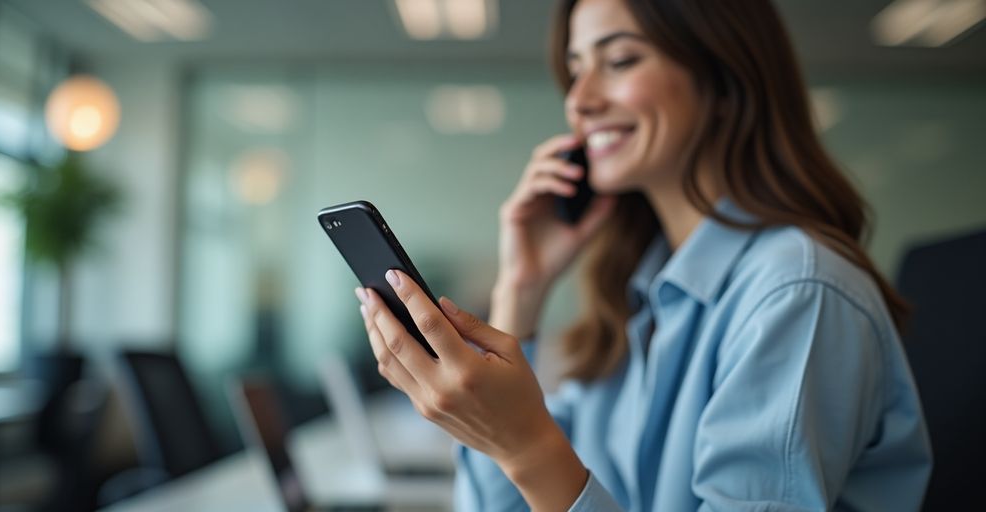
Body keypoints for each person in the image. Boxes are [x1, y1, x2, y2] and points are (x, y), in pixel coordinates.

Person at [354, 0, 932, 509]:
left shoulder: (796, 294)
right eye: (575, 70)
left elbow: (540, 475)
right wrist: (521, 292)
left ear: (724, 79)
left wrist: (529, 447)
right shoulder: (641, 297)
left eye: (621, 60)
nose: (579, 100)